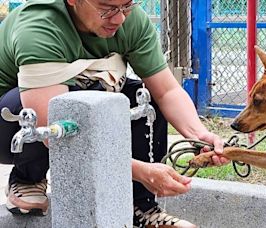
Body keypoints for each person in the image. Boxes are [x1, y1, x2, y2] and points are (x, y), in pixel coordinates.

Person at [0, 0, 228, 227]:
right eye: (106, 8)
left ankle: (141, 208)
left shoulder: (130, 19)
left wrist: (199, 134)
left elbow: (167, 92)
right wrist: (140, 171)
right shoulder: (39, 26)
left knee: (142, 99)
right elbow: (54, 131)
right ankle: (27, 177)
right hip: (10, 126)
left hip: (73, 97)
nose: (119, 18)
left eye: (127, 5)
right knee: (47, 109)